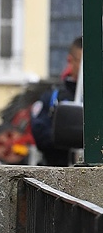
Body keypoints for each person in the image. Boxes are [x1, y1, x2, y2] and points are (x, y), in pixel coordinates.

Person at [31, 36, 83, 166]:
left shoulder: (97, 99)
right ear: (70, 60)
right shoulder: (54, 96)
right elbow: (39, 134)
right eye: (83, 61)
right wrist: (70, 136)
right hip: (59, 171)